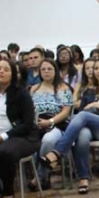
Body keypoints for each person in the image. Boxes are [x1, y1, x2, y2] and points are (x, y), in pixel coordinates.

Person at [40, 58, 99, 194]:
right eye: (96, 68)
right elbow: (81, 113)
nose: (98, 71)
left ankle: (57, 152)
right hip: (90, 129)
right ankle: (83, 178)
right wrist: (89, 109)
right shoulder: (89, 91)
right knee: (82, 135)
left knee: (83, 116)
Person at [0, 58, 38, 198]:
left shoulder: (22, 94)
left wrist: (3, 136)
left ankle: (8, 192)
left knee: (3, 152)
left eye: (6, 70)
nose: (1, 71)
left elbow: (27, 124)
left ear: (13, 75)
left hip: (21, 136)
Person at [30, 59, 74, 190]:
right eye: (43, 69)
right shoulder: (34, 89)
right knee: (31, 145)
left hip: (58, 124)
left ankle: (39, 177)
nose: (46, 72)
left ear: (56, 71)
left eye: (49, 69)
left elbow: (66, 112)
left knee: (48, 140)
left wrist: (50, 122)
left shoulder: (63, 88)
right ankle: (43, 177)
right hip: (36, 125)